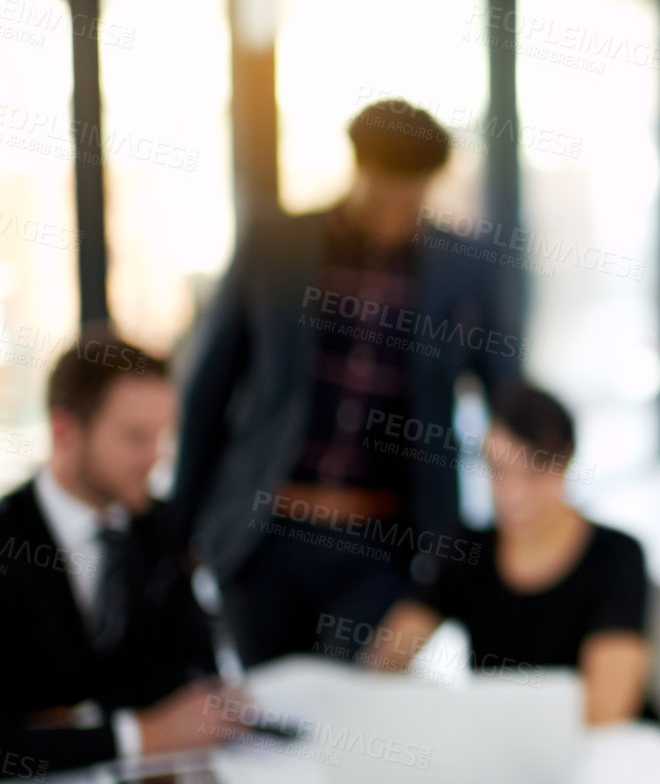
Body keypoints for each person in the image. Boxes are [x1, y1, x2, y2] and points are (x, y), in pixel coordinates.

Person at [172, 99, 522, 670]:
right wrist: (180, 524)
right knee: (268, 712)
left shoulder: (463, 268)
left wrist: (503, 531)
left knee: (349, 714)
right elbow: (208, 389)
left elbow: (505, 399)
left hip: (382, 545)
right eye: (384, 193)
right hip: (264, 533)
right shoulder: (275, 247)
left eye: (413, 197)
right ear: (355, 170)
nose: (397, 212)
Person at [0, 330, 246, 776]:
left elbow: (196, 672)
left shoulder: (159, 527)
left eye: (162, 436)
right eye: (135, 437)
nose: (155, 457)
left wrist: (75, 719)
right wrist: (140, 733)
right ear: (65, 432)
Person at [360, 380, 650, 725]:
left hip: (602, 756)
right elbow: (386, 658)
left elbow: (608, 709)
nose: (512, 493)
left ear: (566, 462)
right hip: (501, 752)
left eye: (532, 473)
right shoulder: (467, 548)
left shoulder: (615, 556)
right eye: (498, 471)